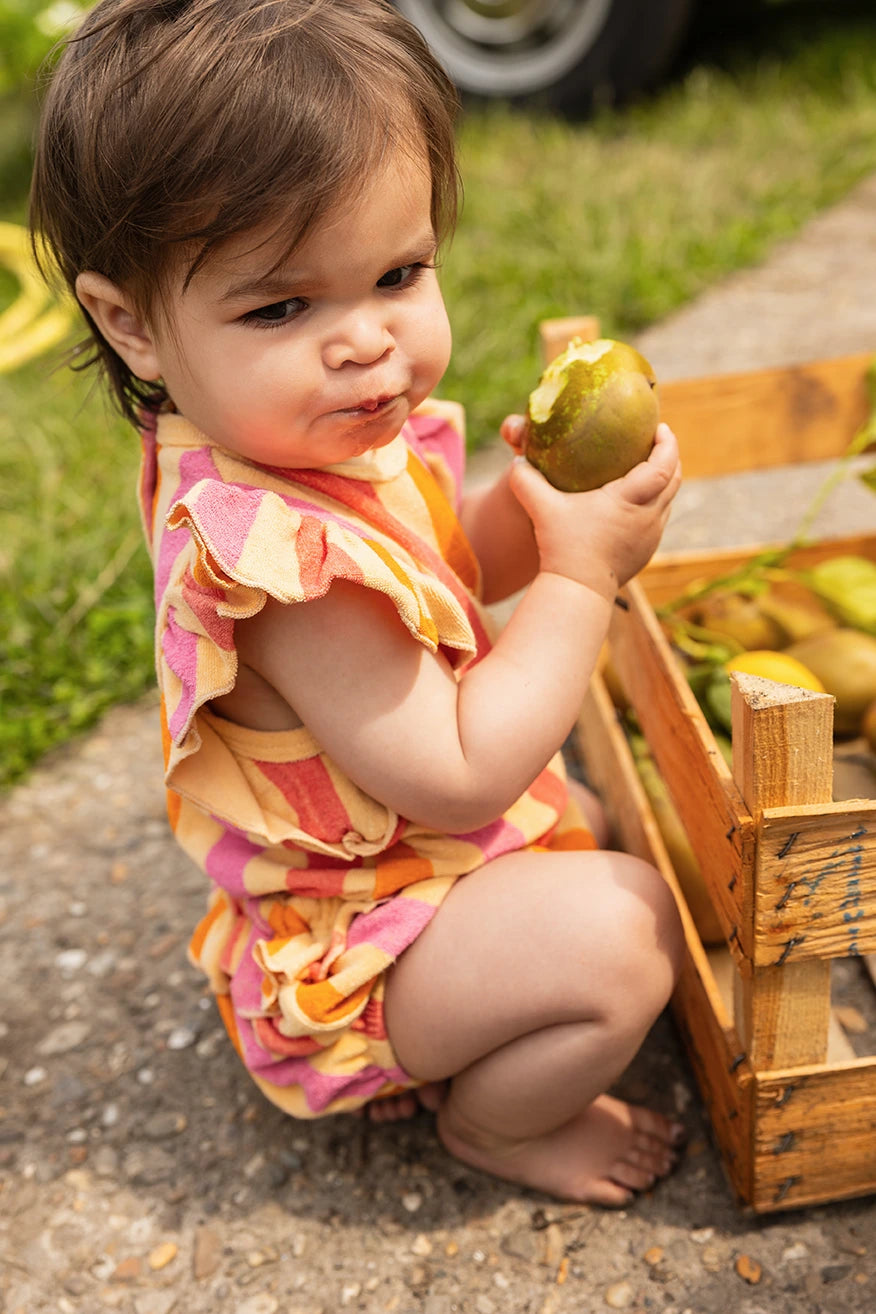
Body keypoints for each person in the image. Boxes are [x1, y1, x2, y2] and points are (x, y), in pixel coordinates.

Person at [31, 0, 685, 1206]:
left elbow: (447, 570)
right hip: (361, 943)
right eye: (283, 308)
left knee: (587, 804)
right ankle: (495, 1125)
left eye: (398, 274)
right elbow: (457, 770)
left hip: (411, 868)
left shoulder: (304, 436)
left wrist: (531, 508)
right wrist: (585, 574)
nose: (367, 342)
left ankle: (482, 1012)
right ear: (133, 325)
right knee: (624, 926)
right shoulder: (280, 568)